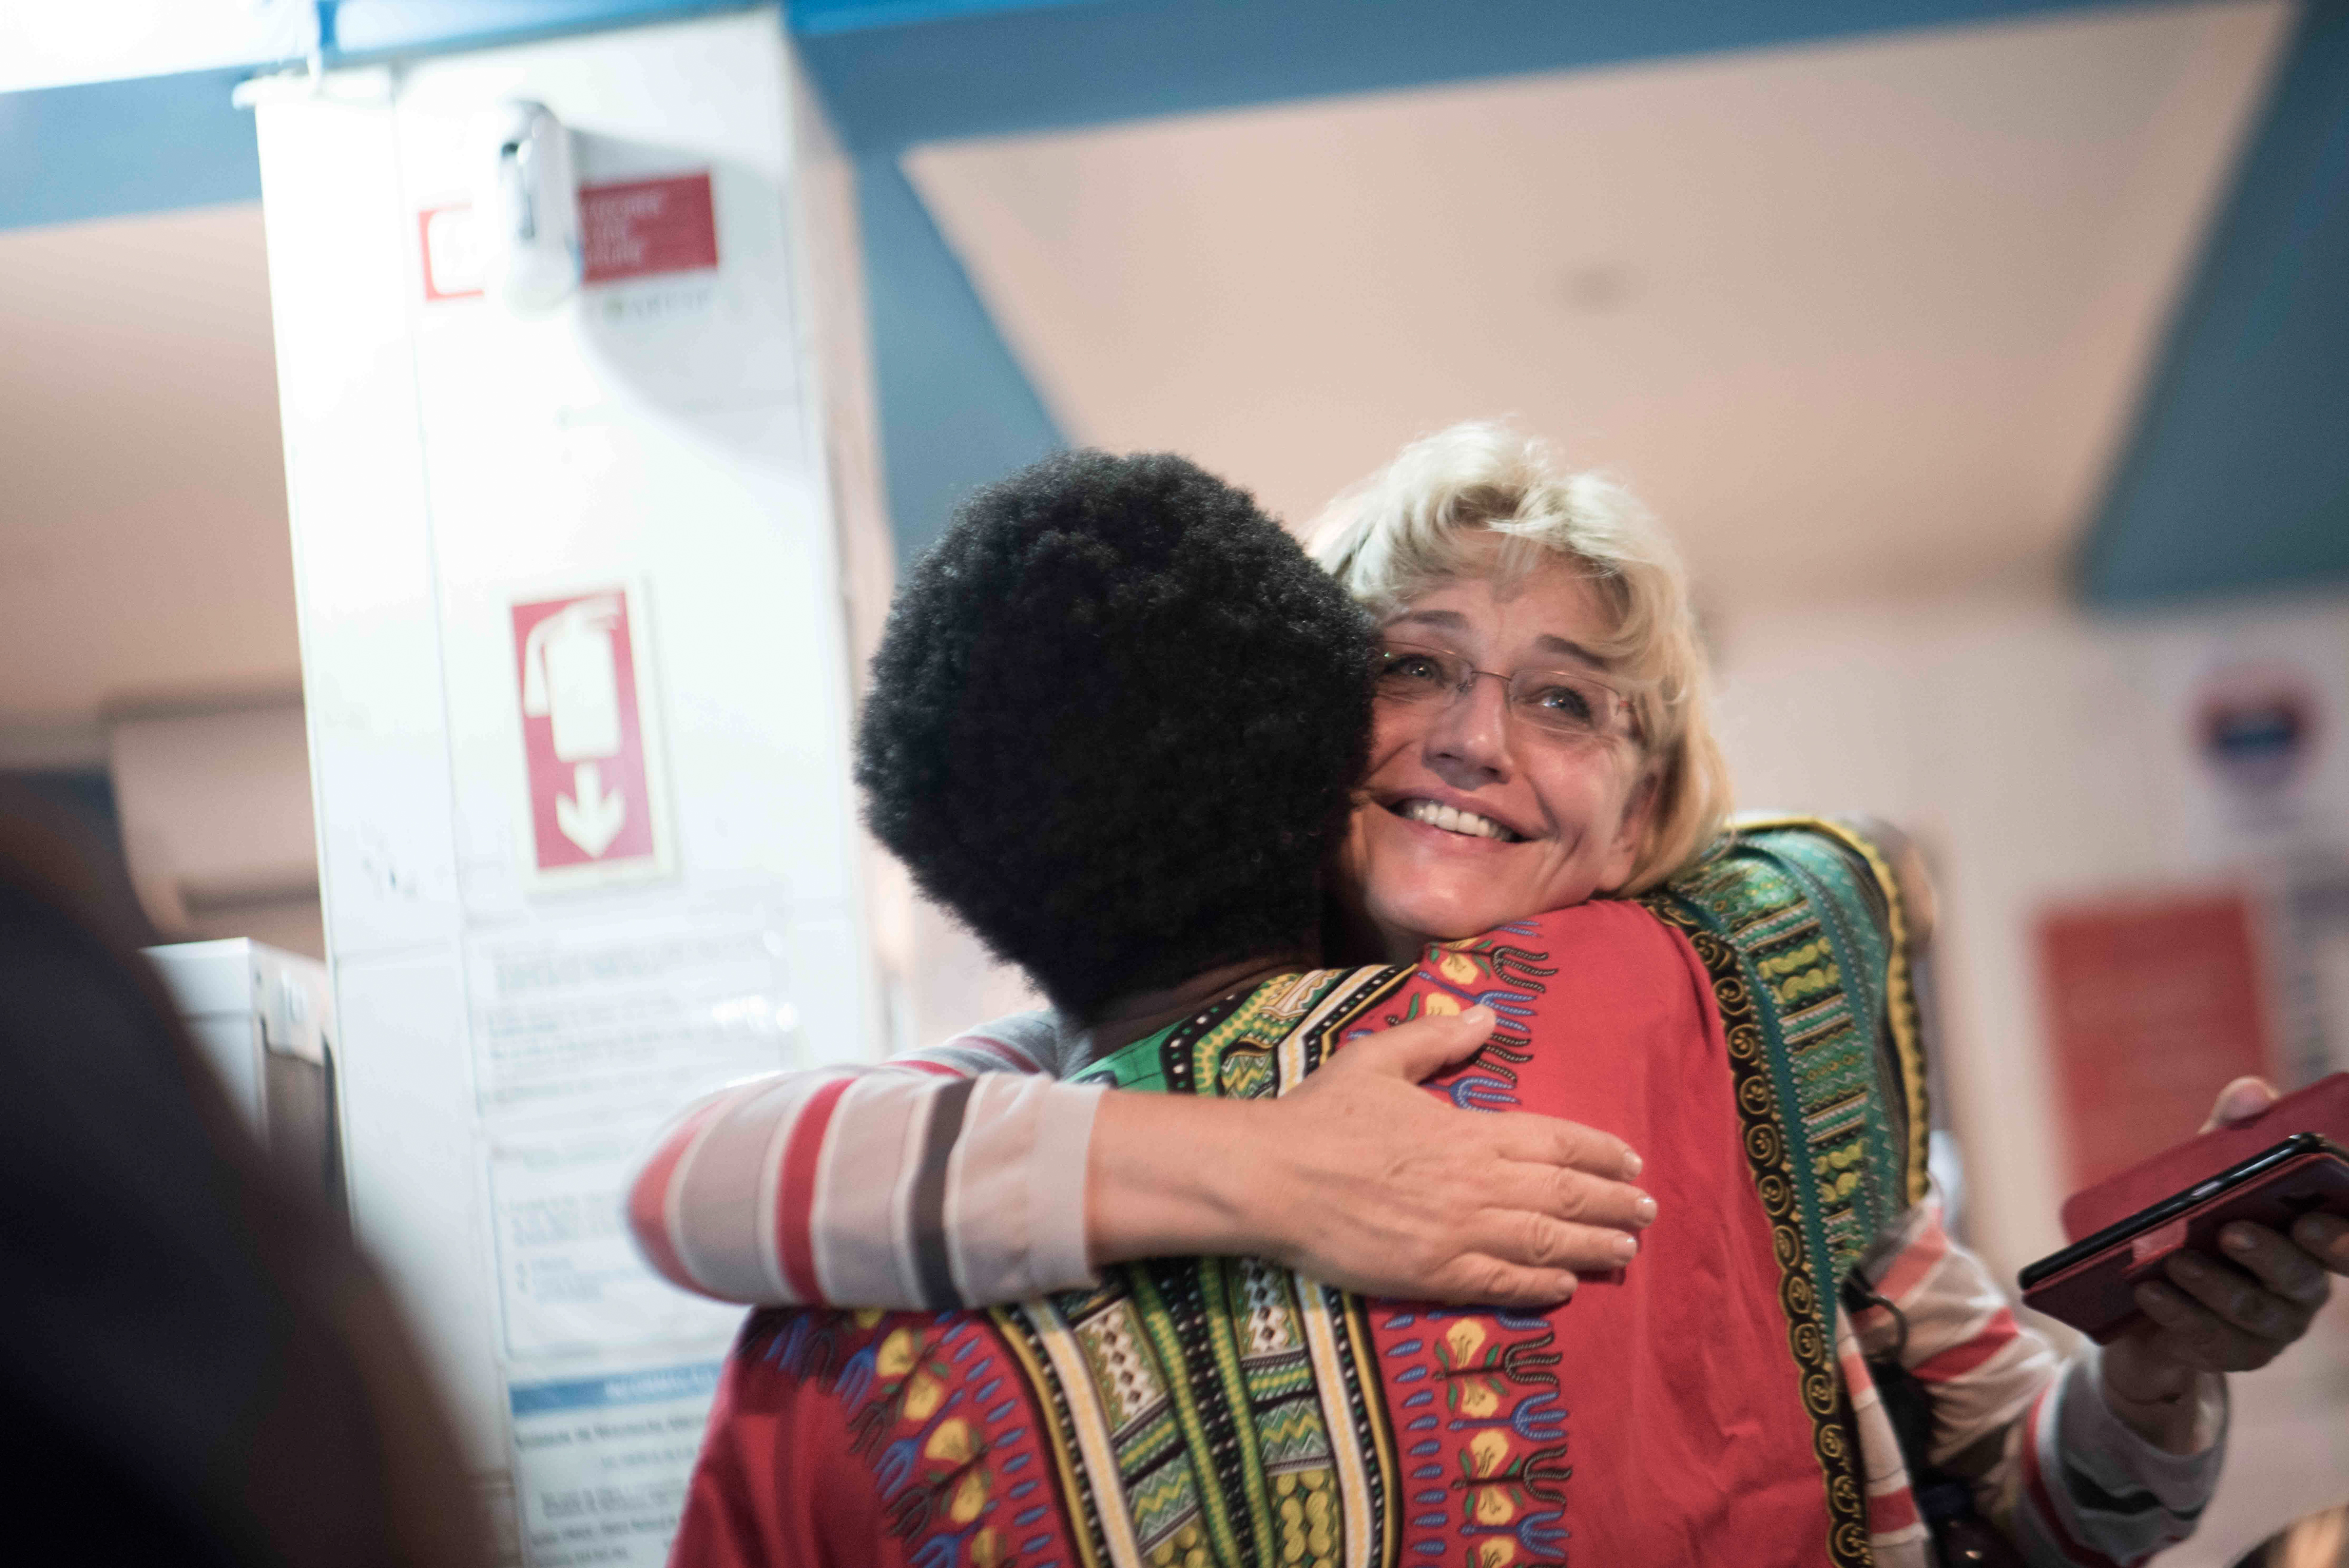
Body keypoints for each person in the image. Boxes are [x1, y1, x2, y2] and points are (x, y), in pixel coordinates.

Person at [641, 428, 2349, 1565]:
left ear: (1645, 802)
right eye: (1416, 667)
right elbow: (700, 1180)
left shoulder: (1761, 1051)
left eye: (1564, 701)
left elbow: (2058, 1514)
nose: (1474, 740)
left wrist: (2154, 1377)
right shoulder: (1100, 1058)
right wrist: (1273, 1169)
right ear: (1300, 720)